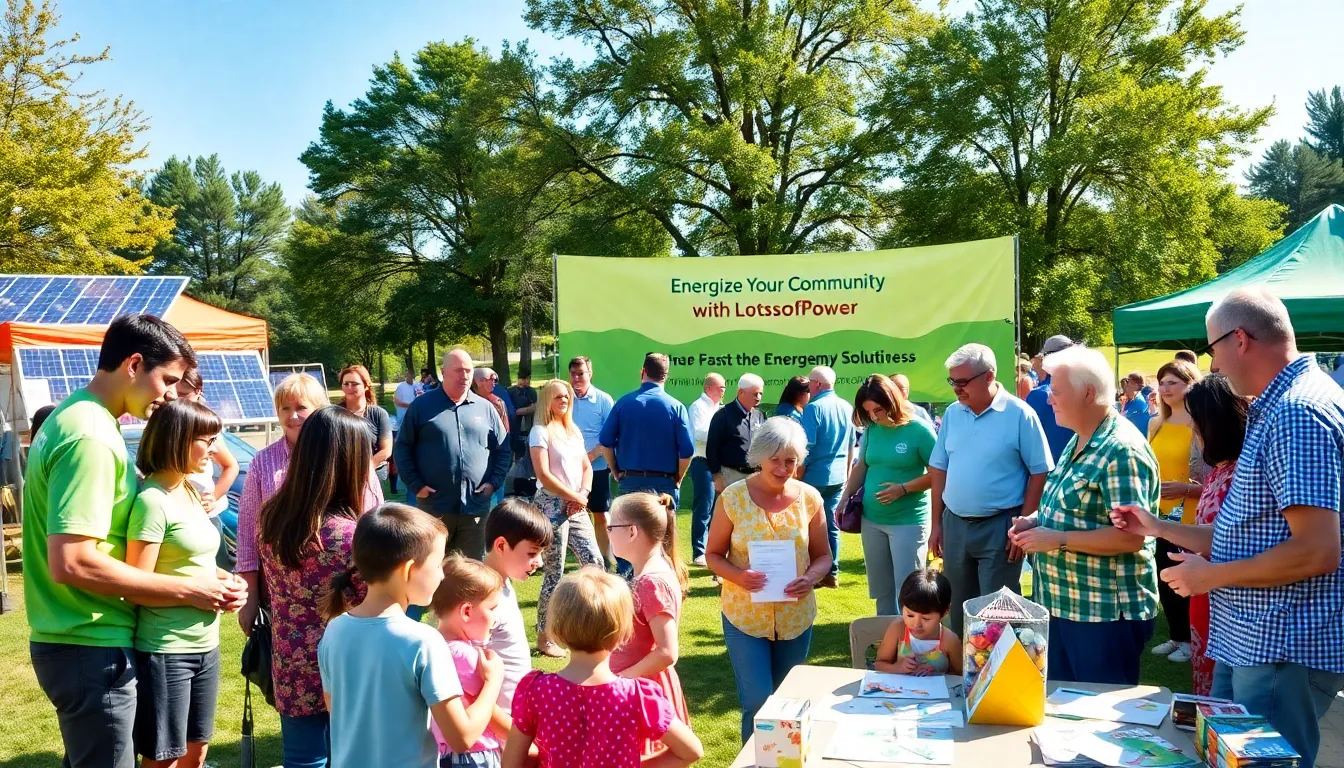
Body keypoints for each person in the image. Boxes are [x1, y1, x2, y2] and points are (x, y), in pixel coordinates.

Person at [1117, 288, 1344, 768]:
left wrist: (1211, 576)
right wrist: (1156, 525)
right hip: (1254, 640)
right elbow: (1246, 533)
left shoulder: (1296, 412)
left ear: (1239, 339)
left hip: (1280, 644)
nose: (1212, 363)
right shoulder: (1279, 406)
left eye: (1212, 348)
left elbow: (1317, 551)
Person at [23, 314, 244, 768]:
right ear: (134, 364)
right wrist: (192, 589)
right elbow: (74, 561)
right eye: (167, 379)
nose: (169, 394)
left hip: (82, 639)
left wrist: (209, 575)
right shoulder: (91, 436)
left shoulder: (76, 417)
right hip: (89, 641)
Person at [1008, 345, 1159, 686]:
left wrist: (1056, 539)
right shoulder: (1082, 438)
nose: (1049, 399)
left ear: (1088, 393)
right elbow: (1073, 513)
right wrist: (1036, 525)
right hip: (1064, 607)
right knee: (1062, 713)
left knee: (1094, 718)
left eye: (1057, 391)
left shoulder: (1121, 450)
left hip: (1103, 616)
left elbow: (1132, 537)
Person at [319, 504, 503, 768]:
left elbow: (335, 709)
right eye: (438, 563)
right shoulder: (423, 641)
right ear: (407, 570)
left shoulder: (334, 630)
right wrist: (493, 682)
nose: (441, 574)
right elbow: (461, 737)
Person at [1108, 374, 1247, 696]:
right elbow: (1222, 535)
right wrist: (1155, 526)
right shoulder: (1223, 469)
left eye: (1197, 424)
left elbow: (1249, 543)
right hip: (1214, 598)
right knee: (1211, 701)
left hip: (1234, 603)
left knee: (1234, 712)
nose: (1194, 432)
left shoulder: (1242, 472)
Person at [257, 405, 378, 766]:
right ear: (349, 462)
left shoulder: (272, 517)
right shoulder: (350, 535)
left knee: (303, 759)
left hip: (291, 663)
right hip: (347, 671)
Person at [706, 417, 832, 743]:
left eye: (790, 460)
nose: (782, 467)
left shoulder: (809, 498)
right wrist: (739, 576)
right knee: (757, 701)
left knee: (788, 702)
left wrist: (812, 577)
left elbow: (823, 556)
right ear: (759, 456)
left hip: (795, 616)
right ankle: (757, 763)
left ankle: (787, 762)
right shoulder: (732, 498)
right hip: (744, 616)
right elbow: (713, 555)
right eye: (775, 460)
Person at [501, 569, 704, 768]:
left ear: (557, 628)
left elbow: (511, 763)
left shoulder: (536, 691)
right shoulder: (638, 697)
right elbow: (691, 751)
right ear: (623, 632)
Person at [235, 374, 383, 636]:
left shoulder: (350, 458)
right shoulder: (263, 463)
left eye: (301, 408)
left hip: (346, 590)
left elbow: (374, 520)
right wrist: (250, 596)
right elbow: (249, 533)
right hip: (285, 593)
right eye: (286, 408)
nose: (293, 417)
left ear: (320, 412)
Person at [125, 399, 229, 768]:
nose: (215, 449)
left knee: (196, 755)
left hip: (207, 647)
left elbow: (193, 561)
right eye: (207, 439)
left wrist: (227, 582)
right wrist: (197, 593)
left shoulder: (188, 490)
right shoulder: (152, 502)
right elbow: (135, 585)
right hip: (166, 650)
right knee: (163, 761)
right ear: (177, 439)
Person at [931, 343, 1052, 632]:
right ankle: (961, 672)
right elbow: (939, 468)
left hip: (1001, 525)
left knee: (998, 611)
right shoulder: (952, 414)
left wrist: (1022, 524)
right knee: (958, 608)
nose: (956, 389)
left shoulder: (1021, 414)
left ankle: (1001, 672)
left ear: (989, 376)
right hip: (956, 523)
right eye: (952, 381)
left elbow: (1040, 471)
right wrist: (936, 523)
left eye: (962, 382)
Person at [395, 349, 510, 560]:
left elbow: (503, 449)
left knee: (470, 574)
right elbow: (402, 448)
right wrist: (416, 485)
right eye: (458, 370)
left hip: (475, 508)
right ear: (443, 372)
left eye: (468, 370)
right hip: (434, 508)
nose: (464, 376)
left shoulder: (486, 408)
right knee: (431, 570)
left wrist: (494, 482)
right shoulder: (421, 407)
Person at [841, 375, 937, 615]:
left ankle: (911, 645)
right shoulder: (873, 429)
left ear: (893, 401)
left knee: (908, 589)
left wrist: (903, 488)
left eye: (878, 410)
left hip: (908, 521)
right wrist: (845, 497)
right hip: (872, 520)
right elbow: (862, 465)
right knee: (881, 588)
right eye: (868, 411)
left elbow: (939, 475)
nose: (874, 416)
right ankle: (887, 641)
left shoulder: (920, 430)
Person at [607, 493, 691, 758]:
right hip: (642, 686)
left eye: (611, 527)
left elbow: (667, 652)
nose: (607, 532)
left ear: (632, 531)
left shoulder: (650, 582)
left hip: (642, 692)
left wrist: (620, 681)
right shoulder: (652, 571)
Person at [599, 353, 695, 576]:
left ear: (642, 372)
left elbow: (605, 441)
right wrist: (679, 476)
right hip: (664, 485)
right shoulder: (676, 407)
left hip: (630, 481)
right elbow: (687, 451)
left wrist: (614, 469)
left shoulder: (624, 403)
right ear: (666, 376)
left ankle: (627, 597)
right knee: (662, 544)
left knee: (626, 544)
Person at [531, 379, 603, 658]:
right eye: (559, 397)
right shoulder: (539, 432)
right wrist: (573, 496)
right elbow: (544, 475)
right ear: (547, 400)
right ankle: (544, 636)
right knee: (555, 571)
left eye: (567, 397)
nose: (564, 401)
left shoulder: (572, 430)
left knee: (595, 563)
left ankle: (593, 624)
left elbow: (587, 466)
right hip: (551, 505)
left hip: (577, 504)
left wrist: (582, 494)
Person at [1146, 359, 1205, 664]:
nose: (1165, 389)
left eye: (1173, 383)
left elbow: (1212, 476)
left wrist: (1186, 490)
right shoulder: (1155, 422)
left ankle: (1192, 641)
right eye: (1162, 382)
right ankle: (1177, 636)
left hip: (1192, 515)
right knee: (1164, 577)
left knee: (1187, 578)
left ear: (1189, 385)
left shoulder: (1201, 423)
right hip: (1158, 515)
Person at [430, 555, 509, 768]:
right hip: (475, 757)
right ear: (466, 611)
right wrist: (528, 738)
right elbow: (491, 714)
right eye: (492, 609)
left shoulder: (432, 646)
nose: (496, 618)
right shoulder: (464, 656)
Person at [481, 499, 553, 709]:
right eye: (532, 553)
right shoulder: (483, 597)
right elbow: (468, 677)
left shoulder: (503, 583)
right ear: (501, 545)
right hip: (498, 725)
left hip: (516, 714)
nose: (539, 562)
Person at [175, 367, 240, 570]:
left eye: (184, 394)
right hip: (179, 513)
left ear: (198, 392)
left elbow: (230, 466)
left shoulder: (206, 427)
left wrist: (213, 497)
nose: (177, 400)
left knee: (219, 567)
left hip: (208, 515)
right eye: (173, 394)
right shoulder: (167, 425)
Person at [799, 366, 855, 588]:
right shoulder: (846, 406)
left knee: (805, 525)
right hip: (839, 475)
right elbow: (852, 445)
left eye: (809, 384)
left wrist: (797, 476)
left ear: (817, 384)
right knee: (830, 524)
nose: (808, 388)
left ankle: (812, 572)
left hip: (814, 476)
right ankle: (832, 572)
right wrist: (849, 473)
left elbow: (806, 448)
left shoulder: (813, 408)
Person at [568, 356, 616, 567]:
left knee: (600, 514)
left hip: (596, 468)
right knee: (566, 513)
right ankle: (575, 559)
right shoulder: (564, 397)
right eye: (573, 374)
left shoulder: (604, 400)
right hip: (567, 469)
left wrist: (591, 456)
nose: (576, 378)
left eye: (581, 374)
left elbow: (611, 436)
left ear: (590, 374)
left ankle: (604, 559)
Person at [874, 569, 963, 675]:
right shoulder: (898, 629)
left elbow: (962, 676)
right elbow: (879, 664)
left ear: (944, 612)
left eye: (926, 619)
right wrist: (898, 668)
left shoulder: (949, 641)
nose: (917, 624)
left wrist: (936, 674)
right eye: (910, 615)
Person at [686, 373, 725, 566]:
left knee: (719, 508)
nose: (723, 391)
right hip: (702, 461)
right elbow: (699, 434)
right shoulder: (697, 407)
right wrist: (722, 432)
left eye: (724, 388)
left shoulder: (720, 409)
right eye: (720, 387)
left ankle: (713, 550)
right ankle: (698, 552)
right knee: (704, 507)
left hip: (719, 463)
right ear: (708, 387)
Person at [707, 373, 766, 492]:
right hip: (731, 476)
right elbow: (712, 449)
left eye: (760, 393)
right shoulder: (722, 416)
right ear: (741, 393)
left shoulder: (760, 416)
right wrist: (717, 476)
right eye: (755, 394)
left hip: (756, 476)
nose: (758, 397)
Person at [1024, 336, 1077, 462]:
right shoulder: (1086, 390)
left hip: (1051, 473)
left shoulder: (1039, 395)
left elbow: (1026, 442)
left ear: (1045, 359)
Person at [338, 364, 394, 483]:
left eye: (354, 384)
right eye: (346, 384)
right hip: (341, 475)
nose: (349, 387)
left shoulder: (378, 414)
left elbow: (386, 450)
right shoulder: (334, 413)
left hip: (372, 474)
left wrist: (366, 469)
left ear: (366, 386)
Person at [506, 365, 539, 498]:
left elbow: (534, 407)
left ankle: (524, 483)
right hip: (512, 429)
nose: (523, 382)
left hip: (526, 429)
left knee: (523, 457)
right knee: (513, 458)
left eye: (525, 379)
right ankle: (512, 483)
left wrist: (520, 411)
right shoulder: (510, 391)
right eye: (521, 379)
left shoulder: (531, 392)